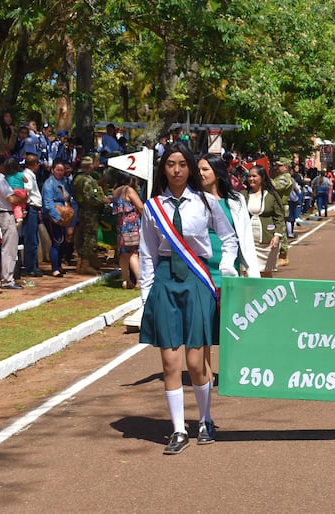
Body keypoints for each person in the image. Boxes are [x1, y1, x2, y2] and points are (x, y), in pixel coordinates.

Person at [138, 142, 238, 455]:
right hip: (166, 283)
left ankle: (205, 420)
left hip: (197, 281)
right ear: (162, 168)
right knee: (170, 362)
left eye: (183, 164)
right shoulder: (153, 207)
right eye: (171, 164)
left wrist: (225, 268)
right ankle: (179, 430)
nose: (177, 170)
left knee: (196, 363)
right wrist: (147, 294)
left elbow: (228, 238)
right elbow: (146, 253)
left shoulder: (207, 203)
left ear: (190, 168)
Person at [198, 154, 260, 280]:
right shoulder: (191, 201)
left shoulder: (236, 200)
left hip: (228, 271)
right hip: (200, 272)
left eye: (205, 169)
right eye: (198, 170)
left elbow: (246, 238)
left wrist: (253, 274)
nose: (200, 173)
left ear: (217, 173)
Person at [73, 155, 111, 274]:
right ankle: (85, 265)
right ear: (90, 166)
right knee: (89, 238)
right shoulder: (87, 180)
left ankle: (84, 263)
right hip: (89, 212)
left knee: (83, 236)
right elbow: (90, 199)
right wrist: (103, 201)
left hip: (82, 210)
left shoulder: (78, 178)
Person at [246, 164, 285, 277]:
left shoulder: (271, 196)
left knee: (265, 272)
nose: (251, 179)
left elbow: (279, 217)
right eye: (249, 176)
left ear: (262, 178)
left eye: (254, 176)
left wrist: (277, 235)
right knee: (247, 272)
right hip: (248, 242)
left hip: (267, 242)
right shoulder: (243, 195)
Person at [0, 155, 26, 289]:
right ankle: (7, 280)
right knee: (9, 248)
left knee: (4, 247)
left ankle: (4, 277)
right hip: (5, 214)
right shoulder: (0, 180)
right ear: (1, 166)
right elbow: (12, 200)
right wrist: (24, 198)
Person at [42, 160, 74, 277]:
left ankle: (59, 265)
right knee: (57, 241)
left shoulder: (65, 182)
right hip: (53, 216)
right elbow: (48, 203)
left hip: (65, 215)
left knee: (64, 241)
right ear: (52, 170)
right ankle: (55, 268)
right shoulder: (49, 184)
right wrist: (56, 217)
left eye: (62, 170)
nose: (60, 173)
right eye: (58, 170)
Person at [112, 172, 144, 289]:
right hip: (131, 224)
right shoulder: (128, 190)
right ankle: (139, 281)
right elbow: (140, 206)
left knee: (124, 254)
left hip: (121, 224)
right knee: (133, 253)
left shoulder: (115, 192)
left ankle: (126, 280)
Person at [21, 154, 44, 277]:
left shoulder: (30, 175)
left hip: (34, 209)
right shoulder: (27, 175)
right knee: (31, 240)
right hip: (30, 209)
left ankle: (33, 265)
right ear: (36, 164)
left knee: (33, 238)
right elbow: (26, 191)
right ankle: (30, 267)